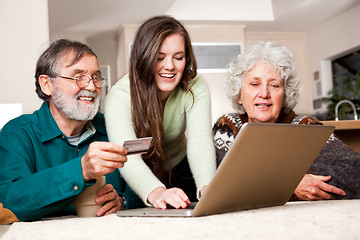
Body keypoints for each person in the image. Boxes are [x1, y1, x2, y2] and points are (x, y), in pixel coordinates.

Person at [0, 39, 142, 222]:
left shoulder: (114, 127)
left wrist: (123, 201)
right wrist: (80, 171)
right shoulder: (17, 134)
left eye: (96, 77)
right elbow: (8, 201)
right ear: (47, 84)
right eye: (79, 77)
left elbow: (142, 186)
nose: (91, 87)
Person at [213, 41, 360, 200]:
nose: (264, 93)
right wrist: (290, 182)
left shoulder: (305, 127)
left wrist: (273, 180)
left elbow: (355, 170)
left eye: (274, 85)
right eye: (255, 84)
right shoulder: (227, 126)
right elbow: (227, 184)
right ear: (239, 95)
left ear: (284, 95)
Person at [105, 15, 216, 209]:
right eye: (159, 58)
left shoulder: (195, 86)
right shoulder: (120, 95)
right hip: (140, 175)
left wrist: (207, 187)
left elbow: (199, 142)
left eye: (179, 57)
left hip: (182, 169)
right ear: (144, 57)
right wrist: (156, 192)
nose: (170, 66)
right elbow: (128, 154)